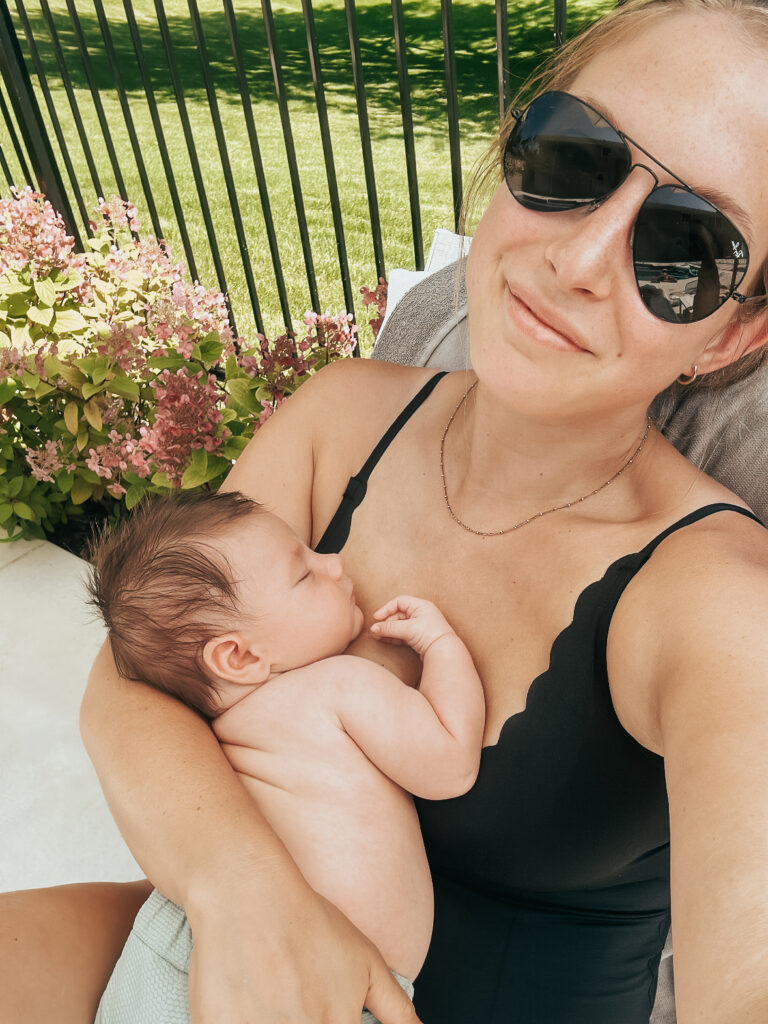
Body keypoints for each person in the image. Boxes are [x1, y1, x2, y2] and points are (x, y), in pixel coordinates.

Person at [3, 0, 768, 1021]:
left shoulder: (715, 601)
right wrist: (249, 897)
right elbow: (131, 683)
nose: (578, 263)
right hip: (219, 948)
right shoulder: (343, 415)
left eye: (686, 247)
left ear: (729, 338)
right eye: (573, 159)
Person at [84, 489, 484, 1023]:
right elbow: (450, 764)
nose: (335, 562)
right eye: (305, 573)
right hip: (298, 982)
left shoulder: (219, 735)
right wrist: (440, 645)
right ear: (240, 655)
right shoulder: (336, 686)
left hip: (181, 952)